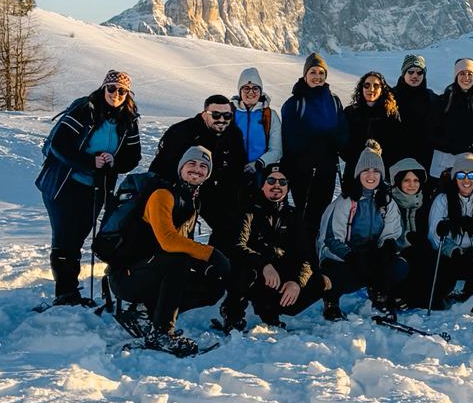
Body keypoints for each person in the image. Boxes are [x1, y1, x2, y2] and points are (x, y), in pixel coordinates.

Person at [106, 146, 230, 354]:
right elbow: (168, 242)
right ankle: (161, 333)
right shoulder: (163, 194)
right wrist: (211, 254)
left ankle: (146, 313)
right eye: (191, 163)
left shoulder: (190, 200)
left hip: (153, 270)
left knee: (212, 286)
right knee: (178, 261)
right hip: (127, 277)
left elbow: (183, 244)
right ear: (181, 167)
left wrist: (208, 266)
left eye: (203, 166)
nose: (197, 169)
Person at [36, 69, 142, 306]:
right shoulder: (85, 110)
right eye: (111, 88)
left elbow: (133, 156)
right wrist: (89, 161)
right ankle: (65, 294)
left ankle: (69, 292)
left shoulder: (128, 119)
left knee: (78, 237)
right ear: (103, 88)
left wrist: (114, 161)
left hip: (95, 188)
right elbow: (59, 145)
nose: (116, 94)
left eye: (122, 91)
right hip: (63, 185)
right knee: (65, 238)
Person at [219, 164, 328, 331]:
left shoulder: (293, 215)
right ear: (262, 185)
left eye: (282, 182)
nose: (277, 185)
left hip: (278, 277)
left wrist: (297, 282)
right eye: (271, 180)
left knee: (321, 282)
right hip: (254, 274)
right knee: (243, 267)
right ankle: (233, 312)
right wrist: (263, 264)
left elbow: (304, 255)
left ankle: (271, 310)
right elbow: (237, 246)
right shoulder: (249, 211)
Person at [317, 142, 406, 319]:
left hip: (370, 256)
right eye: (366, 170)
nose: (371, 175)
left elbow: (392, 232)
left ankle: (379, 293)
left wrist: (386, 249)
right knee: (335, 273)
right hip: (344, 257)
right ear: (358, 174)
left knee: (399, 266)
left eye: (376, 171)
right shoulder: (346, 201)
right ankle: (331, 301)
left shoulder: (386, 201)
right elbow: (331, 240)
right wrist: (351, 257)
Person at [151, 94, 246, 250]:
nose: (222, 119)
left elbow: (236, 169)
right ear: (204, 114)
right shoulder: (182, 131)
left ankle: (216, 260)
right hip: (178, 189)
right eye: (216, 115)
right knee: (177, 233)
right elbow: (159, 168)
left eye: (227, 115)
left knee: (228, 226)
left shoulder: (234, 134)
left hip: (211, 189)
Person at [281, 54, 348, 237]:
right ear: (305, 75)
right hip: (303, 169)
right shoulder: (295, 103)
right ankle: (301, 249)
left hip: (327, 166)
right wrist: (317, 140)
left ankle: (317, 248)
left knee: (322, 210)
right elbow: (289, 139)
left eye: (321, 73)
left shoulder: (334, 101)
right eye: (313, 72)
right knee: (302, 213)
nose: (317, 76)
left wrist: (337, 142)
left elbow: (342, 130)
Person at [426, 152, 473, 308]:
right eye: (461, 175)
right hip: (450, 255)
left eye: (471, 175)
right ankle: (446, 290)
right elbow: (432, 237)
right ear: (454, 177)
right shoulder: (443, 198)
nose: (466, 180)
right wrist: (443, 234)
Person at [431, 59, 473, 183]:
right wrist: (449, 145)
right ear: (456, 76)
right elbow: (433, 128)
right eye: (462, 73)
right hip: (446, 160)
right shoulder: (444, 100)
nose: (466, 78)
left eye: (470, 74)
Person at [390, 157, 433, 306]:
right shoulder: (389, 202)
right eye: (406, 180)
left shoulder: (425, 203)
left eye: (416, 180)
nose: (412, 185)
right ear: (398, 181)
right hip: (395, 253)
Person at [343, 71, 403, 178]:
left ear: (382, 89)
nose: (371, 89)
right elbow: (343, 141)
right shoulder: (350, 112)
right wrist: (353, 157)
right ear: (361, 88)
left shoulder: (391, 114)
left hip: (383, 169)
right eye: (367, 85)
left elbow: (397, 143)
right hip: (354, 169)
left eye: (376, 86)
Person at [233, 67, 283, 175]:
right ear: (240, 91)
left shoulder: (269, 115)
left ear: (260, 91)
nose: (251, 92)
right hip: (232, 169)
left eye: (255, 88)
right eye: (246, 88)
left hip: (261, 171)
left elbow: (276, 149)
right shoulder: (230, 112)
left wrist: (258, 164)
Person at [391, 54, 438, 170]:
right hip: (395, 159)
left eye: (419, 72)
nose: (415, 76)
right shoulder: (390, 97)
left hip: (424, 160)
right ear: (404, 73)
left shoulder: (432, 98)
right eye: (410, 72)